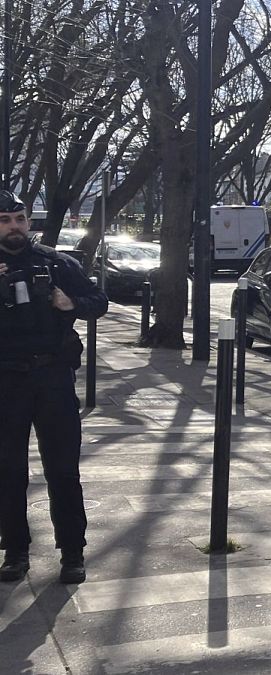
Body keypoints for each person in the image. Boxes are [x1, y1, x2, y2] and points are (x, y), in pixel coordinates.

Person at [0, 190, 108, 585]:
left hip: (53, 378)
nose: (14, 227)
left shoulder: (57, 263)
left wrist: (71, 304)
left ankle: (73, 553)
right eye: (4, 221)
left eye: (19, 219)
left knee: (63, 470)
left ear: (29, 221)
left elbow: (99, 301)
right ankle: (15, 551)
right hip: (6, 381)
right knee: (8, 471)